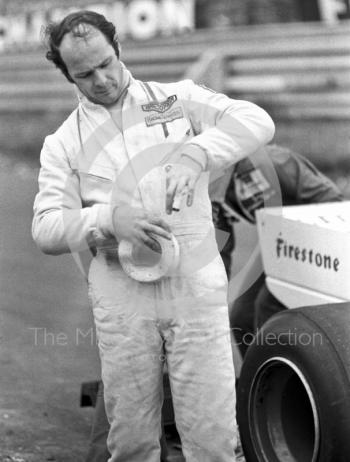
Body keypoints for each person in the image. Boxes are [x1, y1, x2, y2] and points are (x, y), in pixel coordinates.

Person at [32, 10, 275, 461]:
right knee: (131, 436)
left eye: (107, 63)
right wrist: (107, 218)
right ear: (67, 73)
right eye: (84, 74)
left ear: (119, 49)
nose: (101, 79)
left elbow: (257, 120)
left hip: (194, 281)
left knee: (214, 431)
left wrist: (197, 153)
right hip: (121, 292)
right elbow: (46, 228)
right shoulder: (62, 143)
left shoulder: (177, 99)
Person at [214, 144, 343, 357]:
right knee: (241, 317)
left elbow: (331, 199)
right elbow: (221, 249)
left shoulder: (273, 162)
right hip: (277, 243)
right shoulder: (215, 190)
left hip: (312, 241)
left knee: (268, 308)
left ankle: (284, 377)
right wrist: (215, 296)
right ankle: (256, 379)